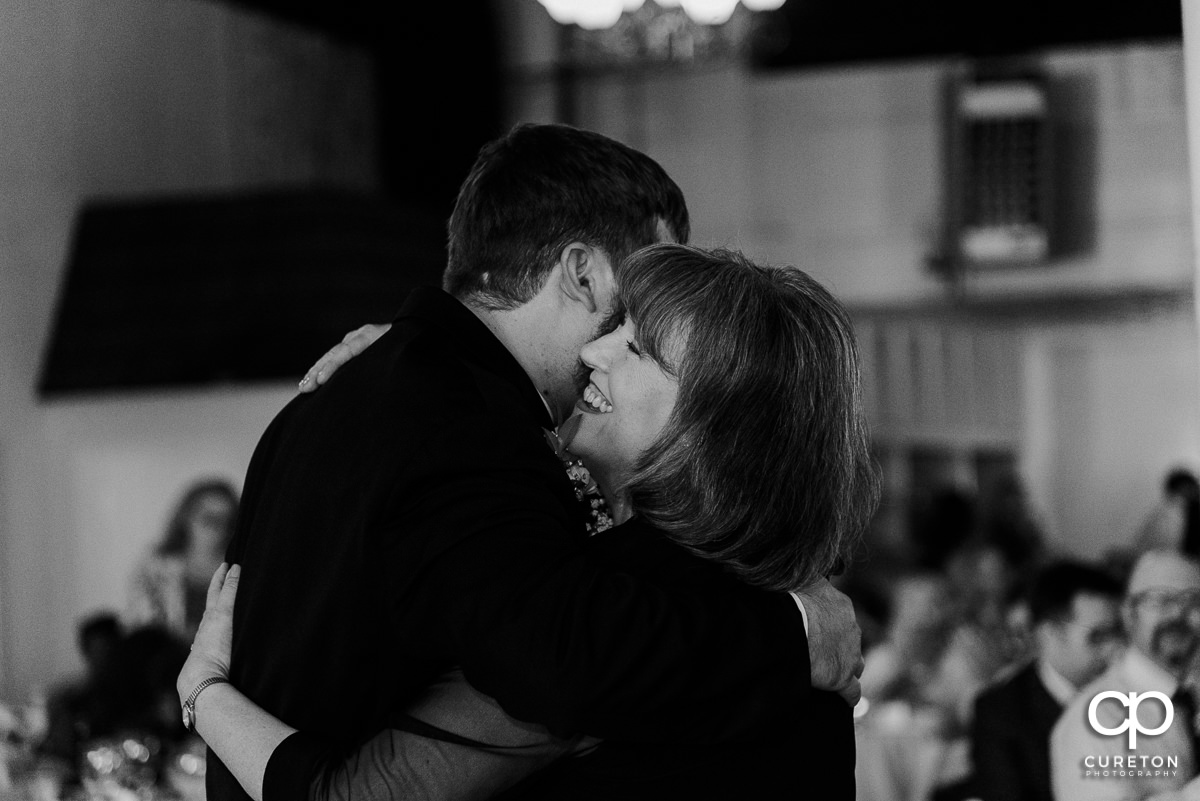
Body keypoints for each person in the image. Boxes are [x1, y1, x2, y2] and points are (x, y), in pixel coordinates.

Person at [183, 124, 868, 801]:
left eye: (640, 342)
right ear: (581, 272)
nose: (605, 351)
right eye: (633, 311)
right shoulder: (466, 425)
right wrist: (795, 629)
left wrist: (204, 696)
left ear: (709, 427)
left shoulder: (341, 400)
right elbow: (565, 659)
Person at [969, 559, 1124, 801]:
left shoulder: (1131, 694)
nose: (1114, 649)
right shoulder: (1001, 712)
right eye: (1098, 636)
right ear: (1049, 634)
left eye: (1119, 633)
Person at [1051, 550, 1200, 801]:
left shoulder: (1190, 696)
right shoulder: (1095, 718)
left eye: (1193, 601)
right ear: (1129, 614)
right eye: (1161, 602)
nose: (1178, 615)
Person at [128, 477, 239, 638]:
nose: (216, 528)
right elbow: (141, 626)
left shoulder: (237, 569)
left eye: (225, 521)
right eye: (209, 518)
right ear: (187, 517)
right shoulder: (156, 567)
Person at [1135, 467, 1200, 556]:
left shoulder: (1162, 511)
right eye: (1191, 487)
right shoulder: (1173, 512)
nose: (1196, 490)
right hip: (1169, 561)